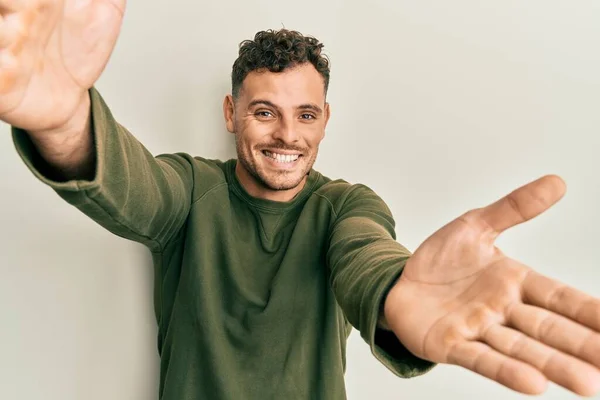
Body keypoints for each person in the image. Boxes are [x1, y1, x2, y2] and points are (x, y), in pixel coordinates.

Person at [2, 1, 599, 399]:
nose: (288, 135)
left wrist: (394, 293)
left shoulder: (345, 206)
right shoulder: (189, 190)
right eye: (265, 112)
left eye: (305, 115)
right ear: (231, 113)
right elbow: (131, 186)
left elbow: (367, 258)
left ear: (325, 120)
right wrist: (64, 118)